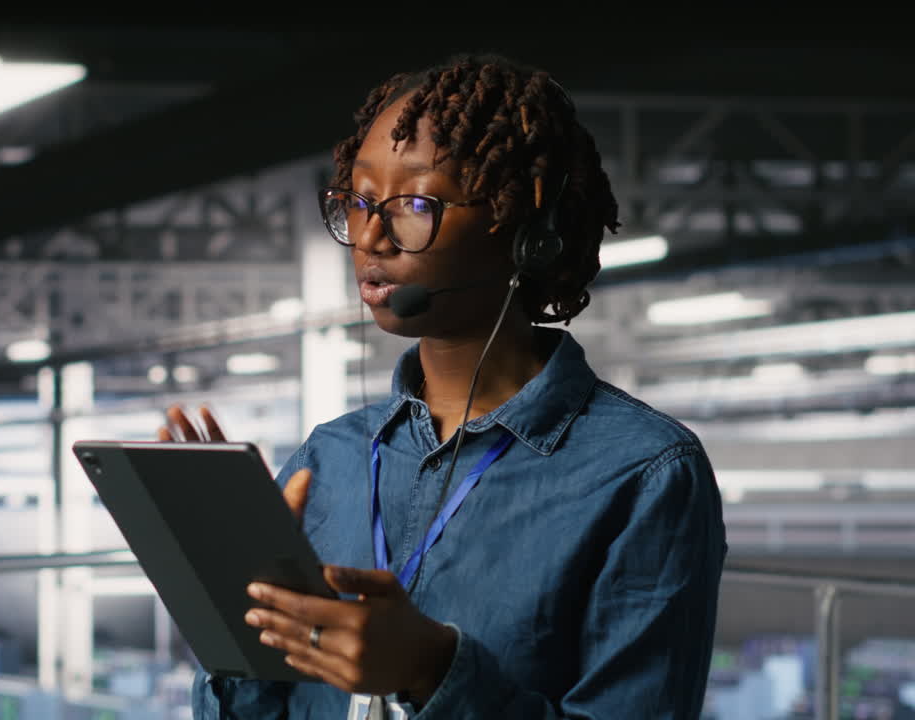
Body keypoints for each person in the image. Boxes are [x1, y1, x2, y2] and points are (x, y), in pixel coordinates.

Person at [159, 51, 727, 719]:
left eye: (413, 203)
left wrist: (433, 670)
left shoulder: (643, 475)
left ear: (527, 231)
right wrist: (234, 615)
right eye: (358, 201)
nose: (370, 236)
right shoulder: (330, 458)